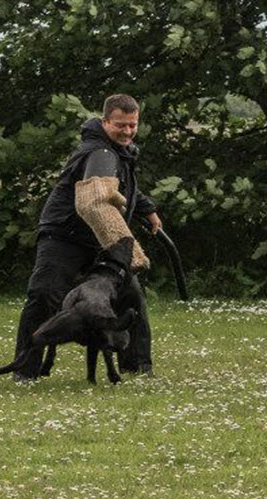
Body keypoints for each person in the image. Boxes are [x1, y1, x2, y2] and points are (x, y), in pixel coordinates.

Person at [12, 94, 163, 380]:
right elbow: (96, 196)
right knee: (44, 296)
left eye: (133, 125)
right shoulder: (97, 153)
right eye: (121, 125)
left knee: (131, 297)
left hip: (100, 240)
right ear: (105, 121)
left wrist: (147, 209)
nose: (128, 131)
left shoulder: (121, 151)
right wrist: (129, 248)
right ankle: (25, 371)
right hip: (65, 236)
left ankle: (138, 367)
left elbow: (124, 190)